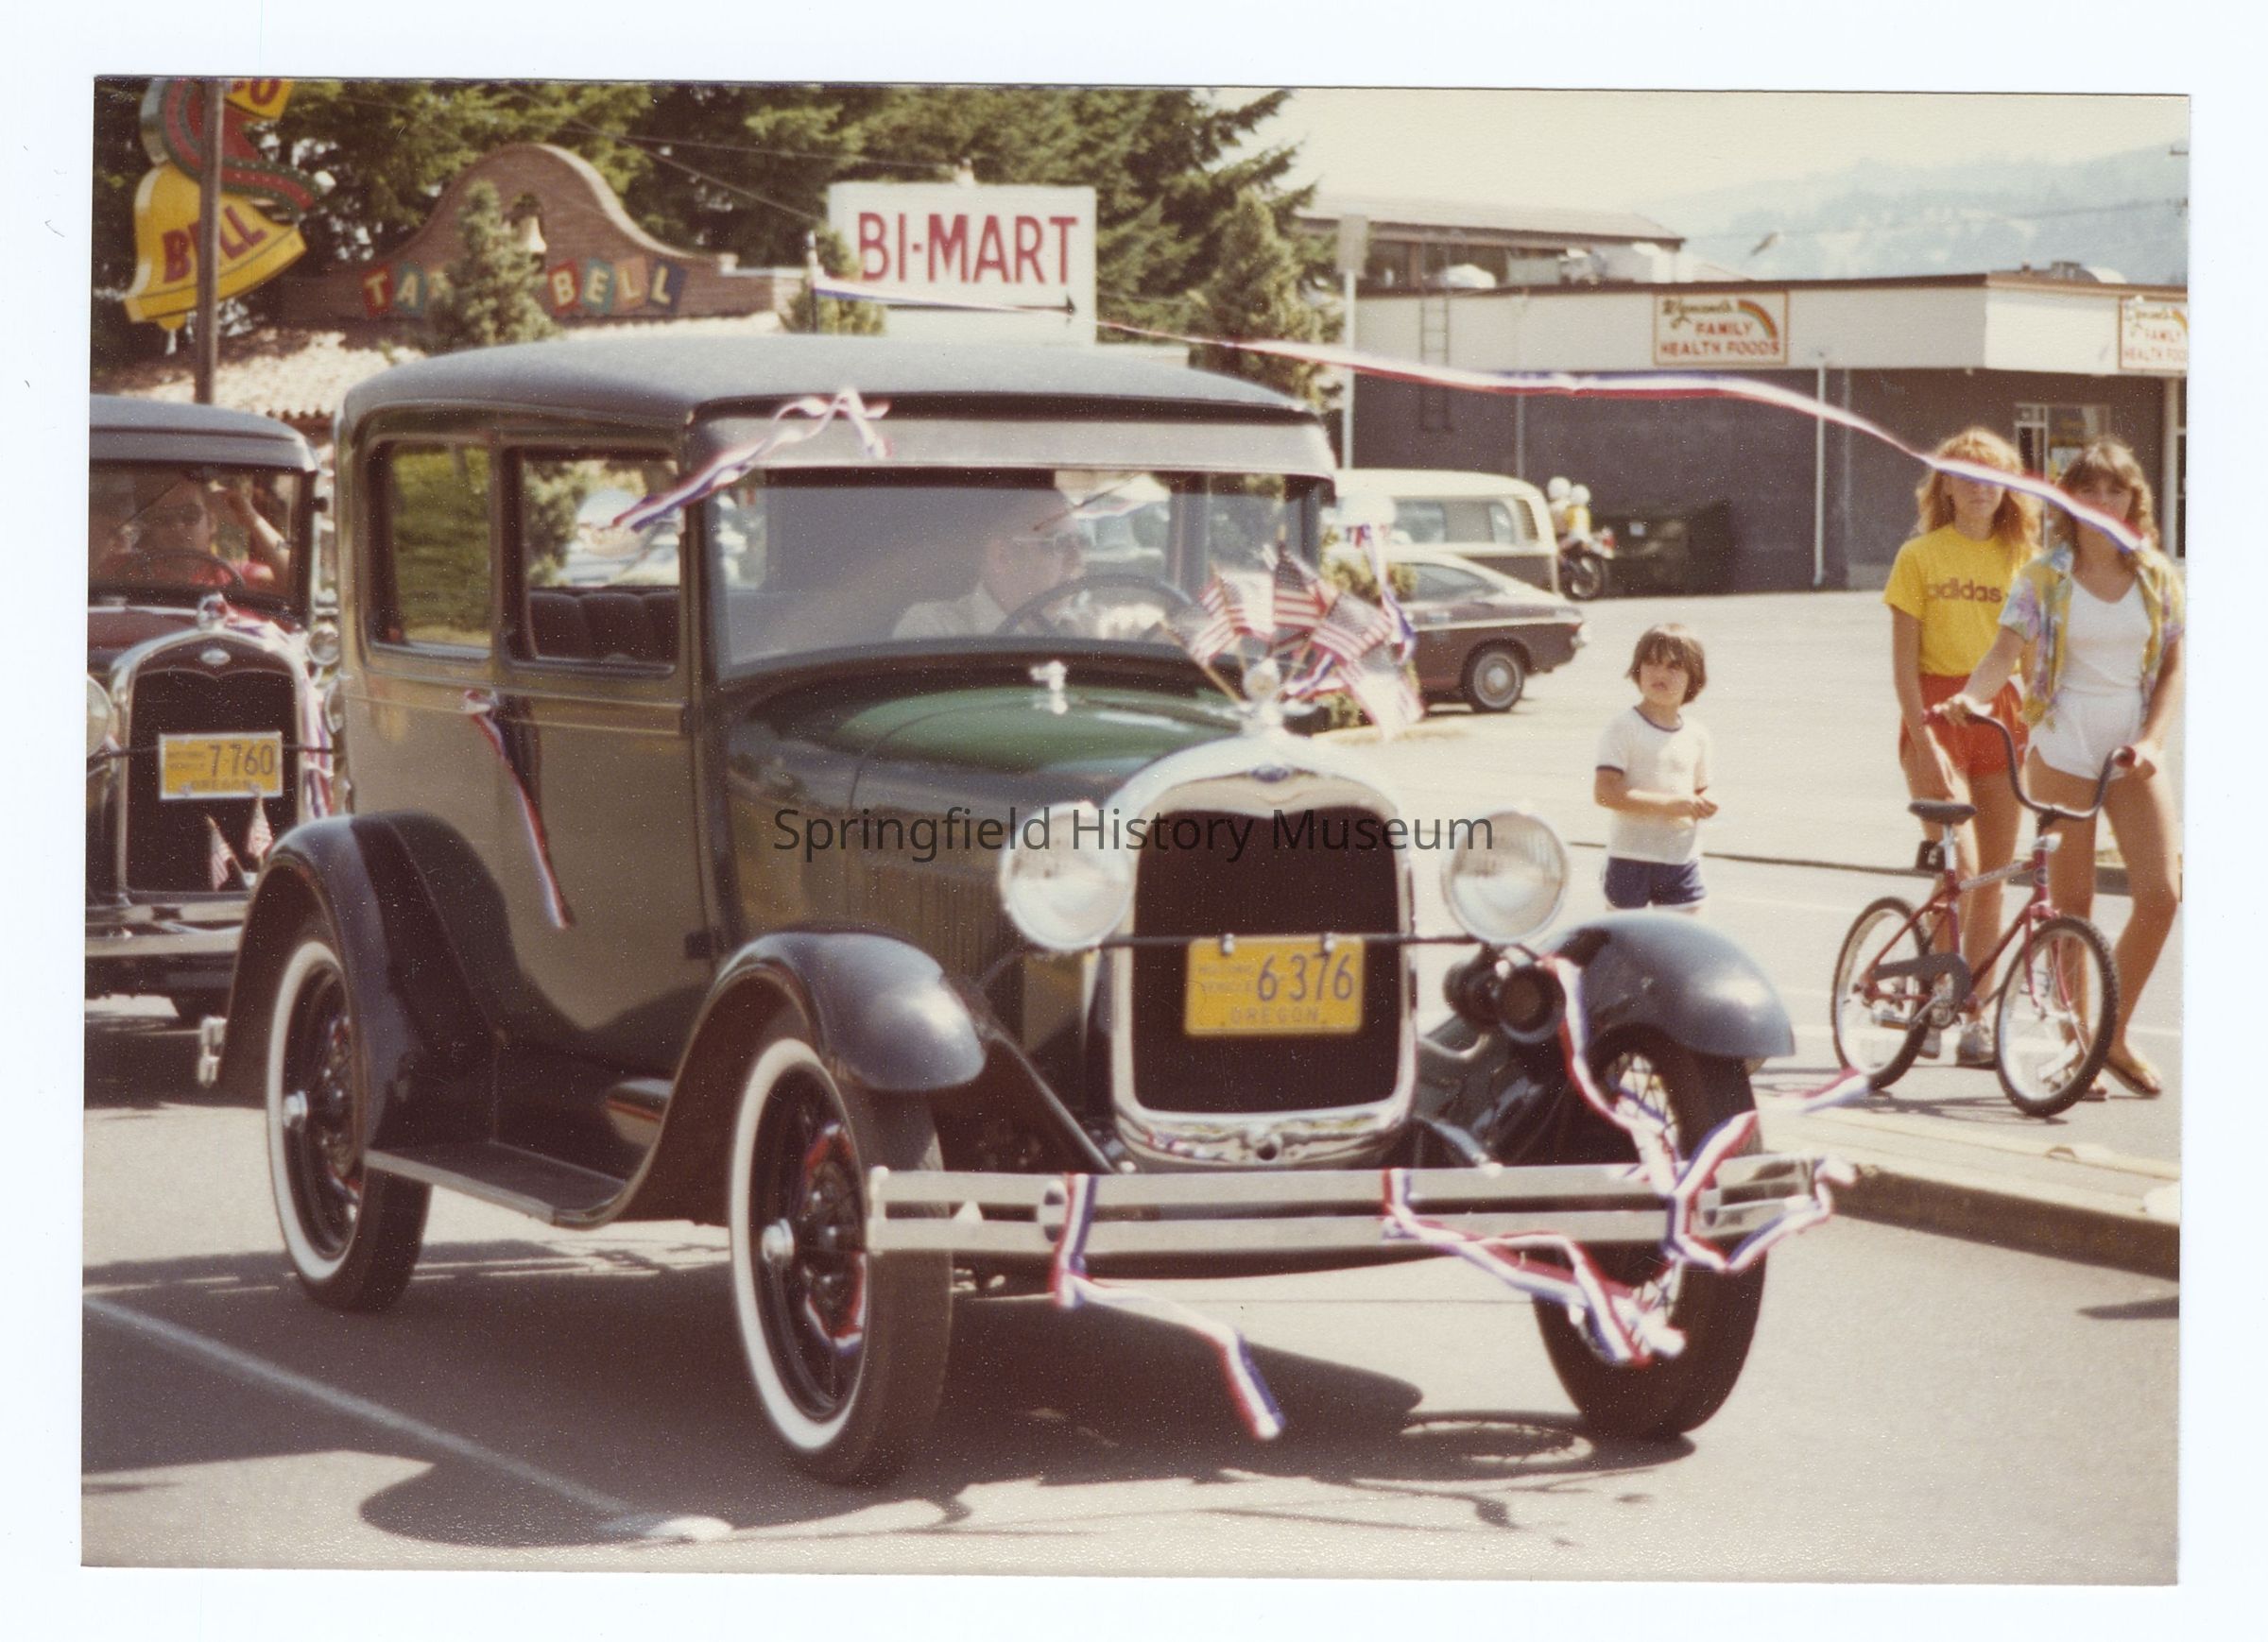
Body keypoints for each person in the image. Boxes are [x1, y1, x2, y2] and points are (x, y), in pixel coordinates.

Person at [1945, 437, 2183, 1098]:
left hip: (2131, 749)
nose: (2103, 501)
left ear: (2134, 500)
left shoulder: (2155, 574)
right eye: (2089, 490)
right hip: (2061, 744)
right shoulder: (2042, 576)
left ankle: (2113, 1033)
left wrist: (2153, 742)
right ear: (2068, 501)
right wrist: (1974, 696)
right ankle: (2079, 1045)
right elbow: (2003, 651)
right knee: (2073, 903)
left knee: (2161, 895)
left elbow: (2172, 667)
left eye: (2116, 490)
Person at [1883, 427, 2040, 1065]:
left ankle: (1976, 1015)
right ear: (1944, 486)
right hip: (1934, 715)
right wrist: (1923, 742)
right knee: (1963, 871)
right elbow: (1902, 668)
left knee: (1994, 879)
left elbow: (2030, 663)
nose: (1980, 487)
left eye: (1992, 476)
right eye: (1966, 475)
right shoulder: (1919, 556)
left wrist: (2044, 732)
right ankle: (1931, 998)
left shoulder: (2024, 559)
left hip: (2001, 720)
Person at [1594, 623, 1715, 914]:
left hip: (1679, 859)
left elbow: (1700, 789)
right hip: (1630, 857)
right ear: (1638, 669)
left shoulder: (1697, 735)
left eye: (1674, 667)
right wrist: (1670, 805)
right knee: (1628, 938)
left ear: (1694, 677)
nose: (1660, 673)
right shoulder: (1624, 727)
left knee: (1681, 938)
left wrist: (1706, 802)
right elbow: (1605, 793)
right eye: (1651, 663)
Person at [892, 488, 1084, 638]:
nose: (1078, 561)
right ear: (1002, 556)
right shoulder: (935, 628)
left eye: (1082, 543)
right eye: (1059, 543)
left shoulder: (1089, 629)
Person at [96, 474, 288, 588]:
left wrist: (254, 520)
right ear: (151, 528)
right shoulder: (124, 569)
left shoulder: (236, 575)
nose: (178, 526)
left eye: (189, 515)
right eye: (163, 518)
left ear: (211, 523)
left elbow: (296, 581)